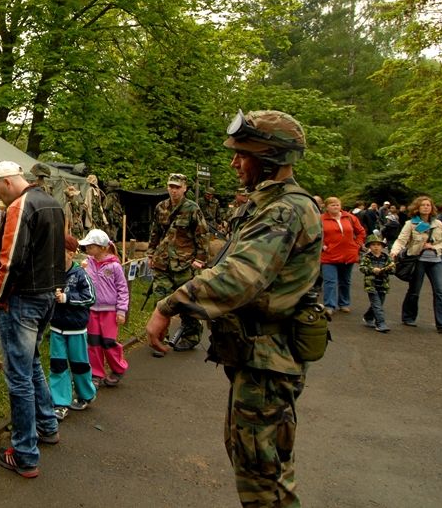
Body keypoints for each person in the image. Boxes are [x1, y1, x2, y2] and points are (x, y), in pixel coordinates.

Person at [145, 109, 323, 507]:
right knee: (254, 460)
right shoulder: (268, 203)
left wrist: (169, 305)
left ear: (270, 157)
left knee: (264, 479)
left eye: (243, 154)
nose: (234, 162)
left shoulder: (284, 209)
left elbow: (238, 279)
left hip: (267, 360)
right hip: (257, 358)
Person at [0, 161, 64, 478]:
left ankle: (25, 453)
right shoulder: (52, 202)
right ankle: (47, 425)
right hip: (46, 295)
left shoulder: (22, 205)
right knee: (31, 364)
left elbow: (10, 259)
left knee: (18, 376)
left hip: (23, 298)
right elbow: (58, 254)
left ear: (5, 182)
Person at [146, 173, 210, 354]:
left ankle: (191, 336)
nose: (173, 190)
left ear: (184, 188)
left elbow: (202, 235)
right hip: (162, 262)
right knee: (160, 302)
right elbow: (155, 232)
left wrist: (200, 260)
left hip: (184, 264)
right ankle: (159, 339)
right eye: (171, 186)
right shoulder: (161, 207)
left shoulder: (192, 209)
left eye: (177, 187)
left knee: (186, 302)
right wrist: (150, 253)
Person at [49, 234, 97, 421]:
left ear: (70, 254)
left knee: (79, 364)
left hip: (76, 328)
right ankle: (60, 403)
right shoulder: (53, 273)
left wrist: (67, 299)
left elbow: (91, 298)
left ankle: (86, 394)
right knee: (58, 365)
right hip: (56, 327)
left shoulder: (80, 275)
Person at [390, 196, 442, 332]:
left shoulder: (438, 224)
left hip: (435, 261)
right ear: (417, 208)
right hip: (417, 260)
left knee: (440, 292)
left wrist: (433, 247)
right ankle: (408, 317)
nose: (426, 207)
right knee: (414, 291)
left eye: (428, 205)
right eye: (423, 205)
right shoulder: (411, 223)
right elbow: (401, 240)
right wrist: (394, 251)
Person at [79, 229, 129, 387]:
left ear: (102, 248)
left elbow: (122, 289)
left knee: (109, 342)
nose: (87, 249)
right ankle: (96, 373)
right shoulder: (87, 263)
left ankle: (118, 368)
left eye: (91, 246)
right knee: (93, 343)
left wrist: (121, 310)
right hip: (92, 310)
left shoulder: (114, 266)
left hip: (110, 311)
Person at [320, 196, 366, 315]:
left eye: (337, 204)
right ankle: (329, 305)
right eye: (332, 205)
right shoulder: (321, 219)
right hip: (329, 255)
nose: (335, 207)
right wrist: (323, 246)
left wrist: (358, 244)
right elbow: (315, 234)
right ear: (326, 207)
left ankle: (344, 303)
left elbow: (360, 231)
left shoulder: (350, 217)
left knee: (345, 281)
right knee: (330, 281)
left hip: (348, 254)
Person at [359, 234, 394, 333]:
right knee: (377, 304)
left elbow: (393, 269)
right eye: (373, 245)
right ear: (369, 246)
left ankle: (368, 317)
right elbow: (362, 268)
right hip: (371, 285)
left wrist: (387, 269)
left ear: (382, 246)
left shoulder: (386, 257)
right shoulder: (367, 257)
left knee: (378, 304)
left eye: (378, 245)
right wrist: (372, 269)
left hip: (383, 284)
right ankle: (381, 323)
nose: (376, 247)